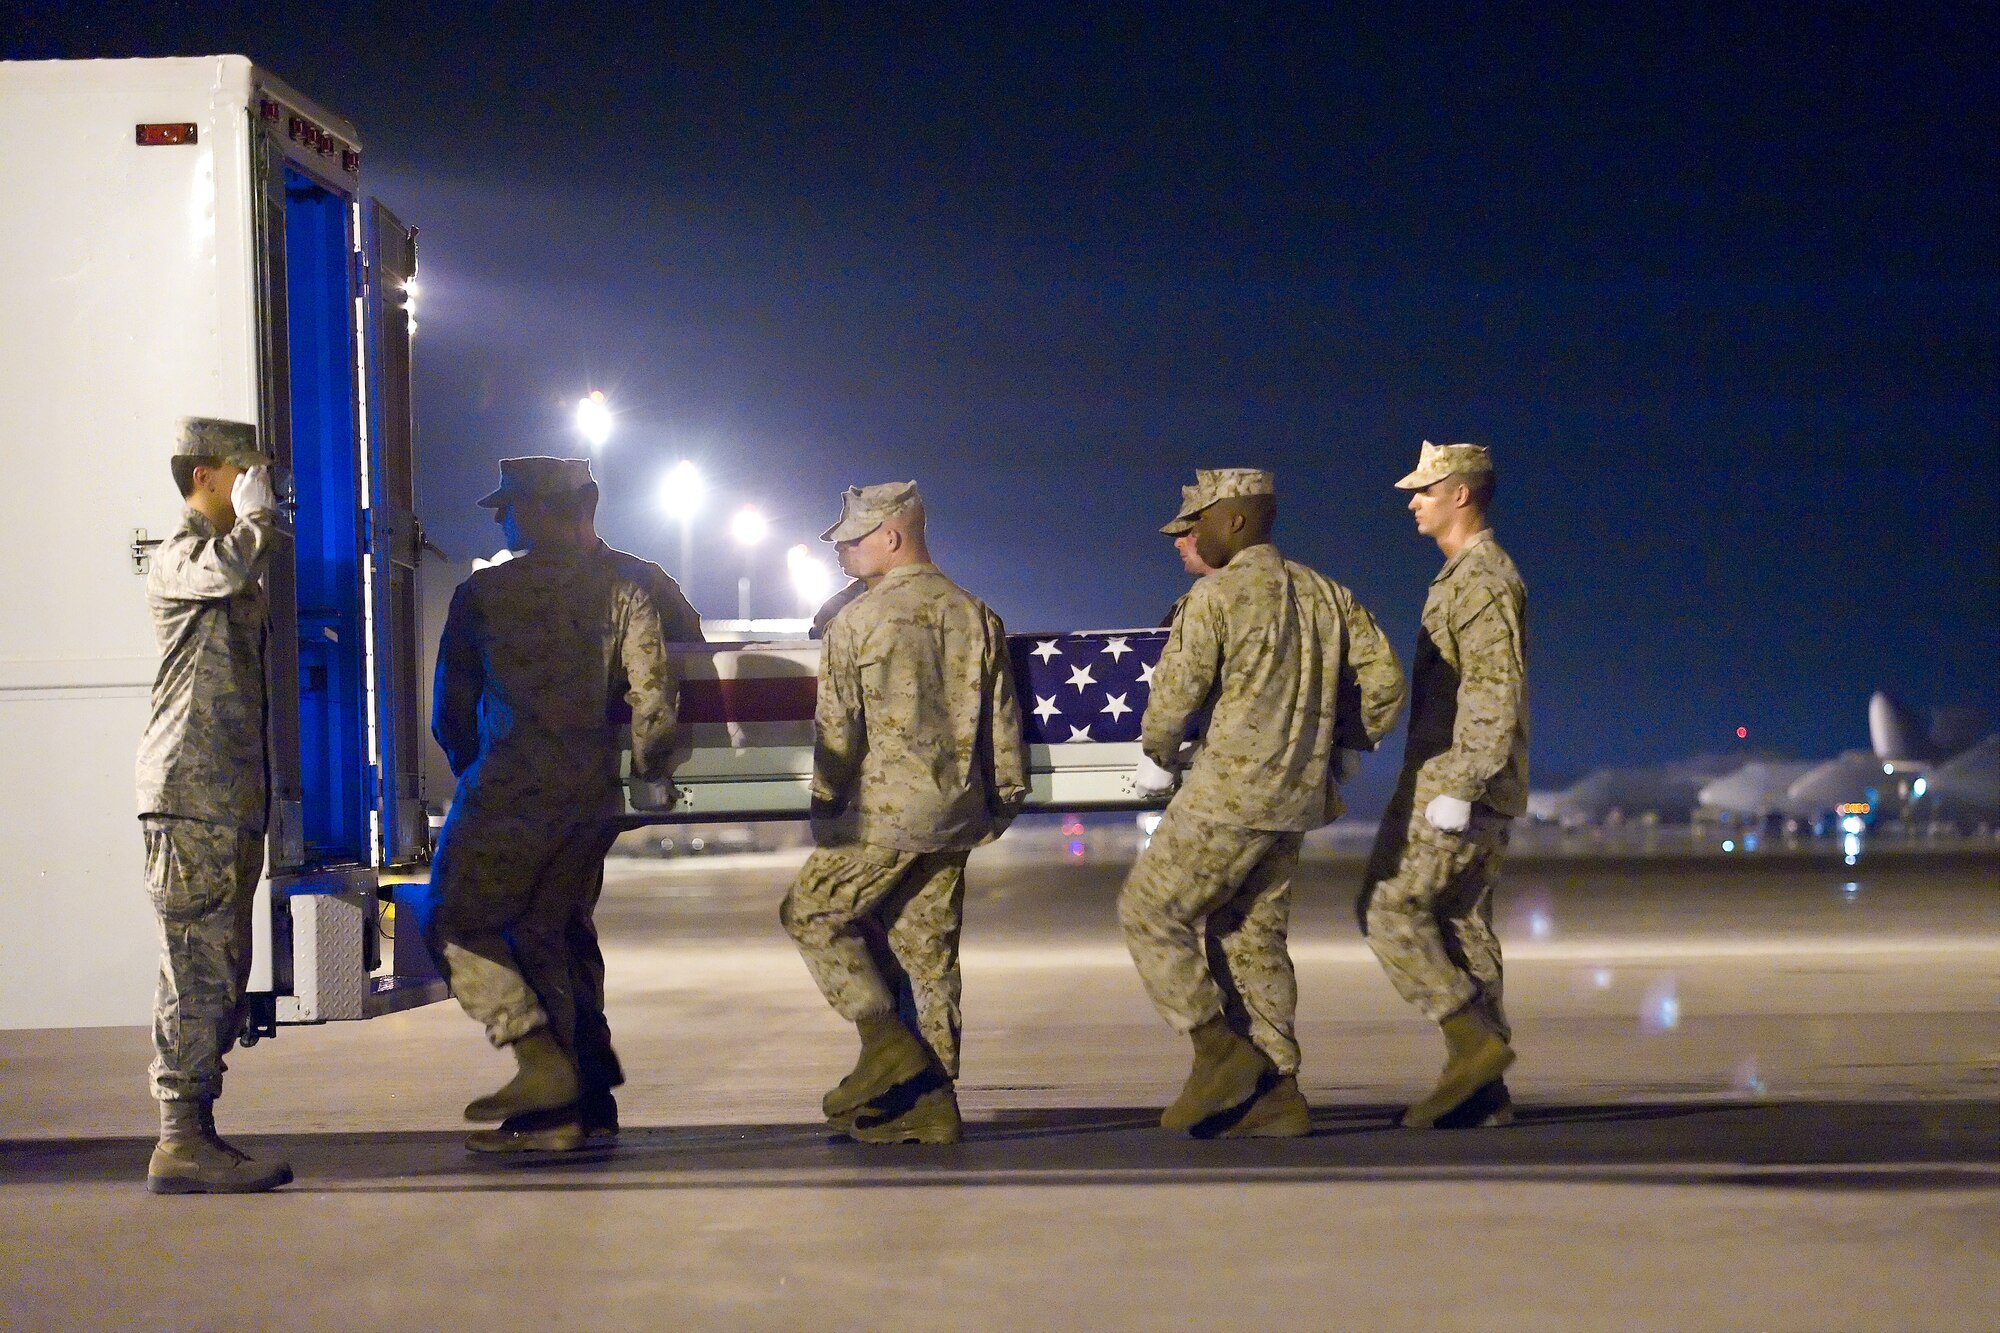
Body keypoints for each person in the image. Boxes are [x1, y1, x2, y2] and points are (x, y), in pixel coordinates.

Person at [1121, 469, 1405, 1137]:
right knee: (1252, 937)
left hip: (1227, 791)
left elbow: (1175, 695)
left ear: (1236, 521)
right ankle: (1277, 1091)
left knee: (1148, 911)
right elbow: (1385, 684)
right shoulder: (1330, 596)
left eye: (1196, 523)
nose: (1182, 539)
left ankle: (1218, 1056)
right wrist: (1341, 747)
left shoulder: (1216, 596)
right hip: (1296, 797)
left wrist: (1156, 754)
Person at [427, 457, 679, 1152]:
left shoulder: (484, 594)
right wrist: (642, 771)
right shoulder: (633, 586)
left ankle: (541, 1066)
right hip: (591, 795)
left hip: (509, 787)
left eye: (508, 506)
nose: (501, 519)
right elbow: (657, 693)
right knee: (549, 929)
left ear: (540, 510)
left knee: (449, 922)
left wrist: (478, 774)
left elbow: (450, 712)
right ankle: (577, 1101)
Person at [780, 481, 1028, 1145]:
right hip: (956, 811)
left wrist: (825, 807)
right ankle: (931, 1104)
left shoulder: (856, 623)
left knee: (809, 911)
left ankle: (890, 1048)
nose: (840, 551)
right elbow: (1003, 731)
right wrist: (998, 803)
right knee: (928, 953)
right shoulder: (977, 614)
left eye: (852, 539)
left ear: (893, 536)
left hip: (882, 815)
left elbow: (837, 731)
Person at [137, 416, 294, 1194]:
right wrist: (261, 516)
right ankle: (180, 1139)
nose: (256, 486)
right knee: (197, 966)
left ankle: (194, 1132)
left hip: (224, 800)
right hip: (190, 798)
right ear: (205, 474)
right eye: (245, 472)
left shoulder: (225, 562)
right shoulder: (180, 558)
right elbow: (233, 564)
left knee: (220, 965)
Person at [1360, 441, 1529, 1130]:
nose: (1413, 501)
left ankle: (1472, 1043)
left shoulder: (1482, 579)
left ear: (1461, 494)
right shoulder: (1465, 575)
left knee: (1387, 908)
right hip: (1467, 781)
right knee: (1460, 925)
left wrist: (1462, 782)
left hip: (1457, 781)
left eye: (1425, 490)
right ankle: (1482, 1092)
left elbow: (1495, 689)